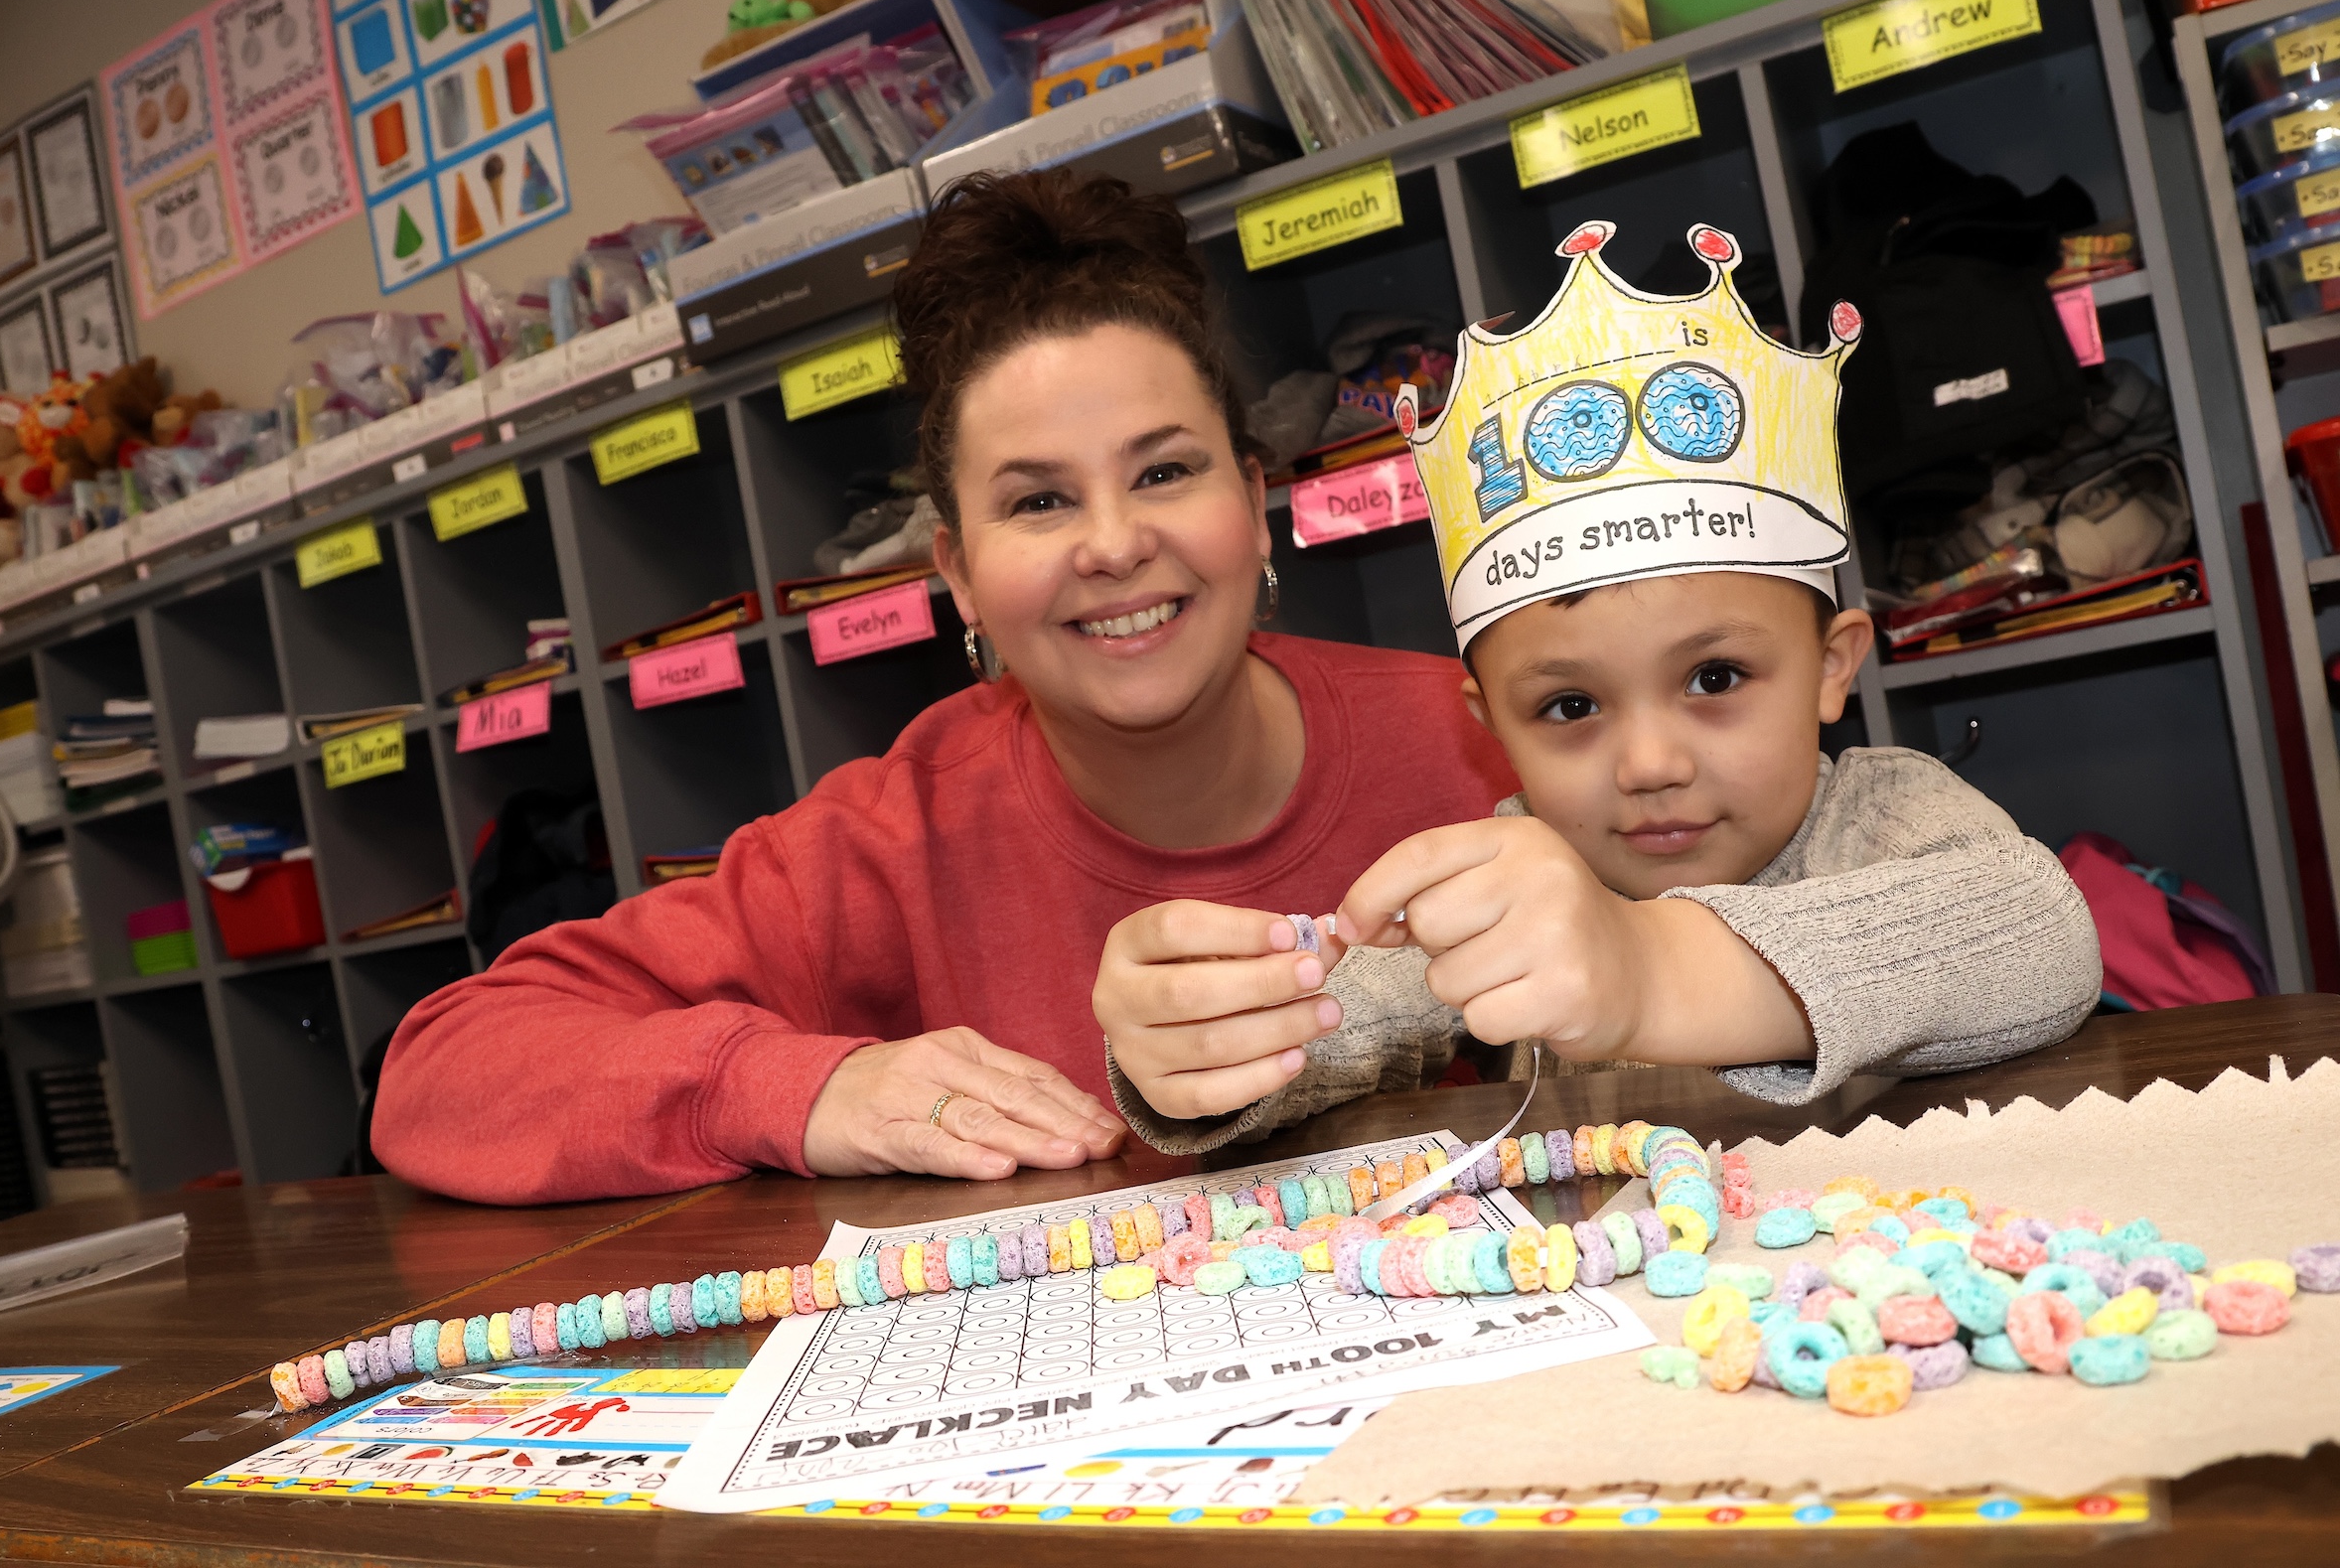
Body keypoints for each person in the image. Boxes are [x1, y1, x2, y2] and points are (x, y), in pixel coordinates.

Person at [369, 170, 1518, 1205]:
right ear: (959, 576)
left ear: (1251, 496)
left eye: (1164, 471)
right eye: (1037, 501)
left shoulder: (1475, 740)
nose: (1114, 544)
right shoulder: (884, 844)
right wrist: (804, 1085)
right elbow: (443, 1065)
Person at [1097, 221, 2102, 1152]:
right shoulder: (1524, 869)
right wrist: (1222, 1046)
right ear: (1494, 725)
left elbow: (2035, 933)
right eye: (1570, 707)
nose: (1651, 763)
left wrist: (1648, 963)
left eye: (1716, 677)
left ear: (1833, 667)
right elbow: (1349, 1027)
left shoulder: (1883, 815)